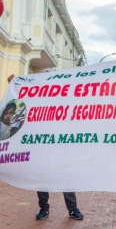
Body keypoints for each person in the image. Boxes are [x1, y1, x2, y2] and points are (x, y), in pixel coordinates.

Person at [7, 73, 84, 221]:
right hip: (41, 146)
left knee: (66, 177)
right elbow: (25, 102)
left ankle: (73, 208)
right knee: (41, 177)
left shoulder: (64, 102)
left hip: (61, 146)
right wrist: (16, 84)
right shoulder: (38, 101)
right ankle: (44, 208)